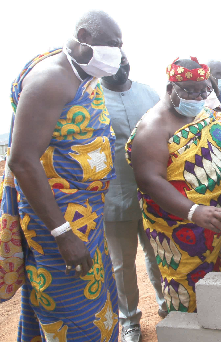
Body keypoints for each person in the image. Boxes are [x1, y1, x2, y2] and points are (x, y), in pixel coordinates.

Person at [4, 10, 121, 341]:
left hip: (84, 216)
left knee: (93, 301)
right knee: (74, 312)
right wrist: (63, 233)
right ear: (83, 36)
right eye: (113, 44)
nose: (119, 52)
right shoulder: (51, 80)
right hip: (59, 222)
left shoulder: (79, 76)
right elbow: (23, 160)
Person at [126, 57, 221, 314]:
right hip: (182, 229)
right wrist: (194, 212)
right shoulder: (153, 128)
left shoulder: (200, 111)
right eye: (190, 91)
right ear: (170, 89)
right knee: (191, 293)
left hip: (219, 218)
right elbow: (149, 180)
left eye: (204, 90)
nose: (199, 96)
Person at [101, 52, 167, 341]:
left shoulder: (148, 93)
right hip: (113, 196)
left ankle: (168, 307)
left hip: (154, 193)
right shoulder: (91, 100)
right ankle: (129, 321)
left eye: (123, 59)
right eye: (112, 61)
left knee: (160, 254)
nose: (120, 65)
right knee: (121, 264)